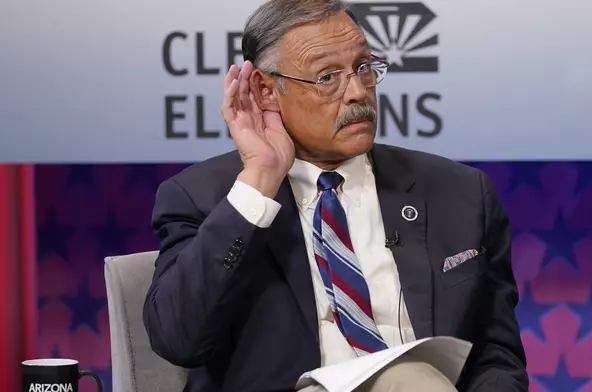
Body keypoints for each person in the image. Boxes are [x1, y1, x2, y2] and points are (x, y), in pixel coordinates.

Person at [142, 0, 529, 391]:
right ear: (266, 89)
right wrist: (260, 180)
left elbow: (495, 354)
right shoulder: (206, 198)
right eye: (327, 77)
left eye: (364, 67)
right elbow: (178, 339)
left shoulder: (458, 193)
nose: (358, 92)